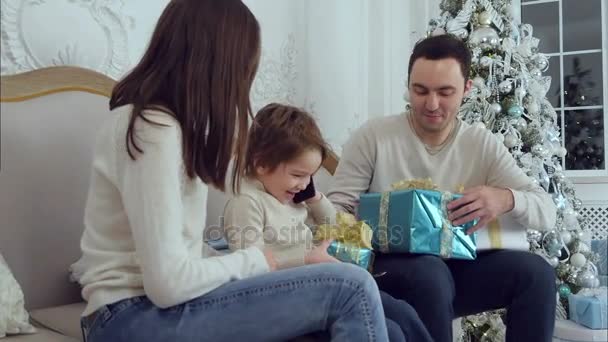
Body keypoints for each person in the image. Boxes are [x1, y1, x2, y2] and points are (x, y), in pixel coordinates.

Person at [72, 1, 390, 341]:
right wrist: (254, 261)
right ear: (220, 65)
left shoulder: (165, 128)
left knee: (372, 307)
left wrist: (246, 262)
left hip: (143, 309)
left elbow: (180, 258)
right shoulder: (152, 129)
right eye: (243, 71)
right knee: (349, 287)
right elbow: (167, 283)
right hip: (128, 317)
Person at [327, 34, 558, 342]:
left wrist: (505, 198)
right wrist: (364, 220)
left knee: (537, 274)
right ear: (408, 85)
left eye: (445, 92)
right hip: (388, 267)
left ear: (466, 89)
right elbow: (334, 210)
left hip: (458, 268)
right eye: (419, 90)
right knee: (429, 274)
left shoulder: (480, 143)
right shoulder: (374, 137)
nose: (431, 104)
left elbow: (546, 211)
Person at [224, 103, 433, 342]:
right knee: (392, 333)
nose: (303, 184)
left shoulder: (293, 197)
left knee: (403, 314)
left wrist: (314, 198)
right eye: (297, 175)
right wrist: (304, 260)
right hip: (287, 298)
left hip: (319, 287)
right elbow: (248, 268)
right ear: (261, 163)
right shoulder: (246, 202)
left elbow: (334, 224)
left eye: (309, 176)